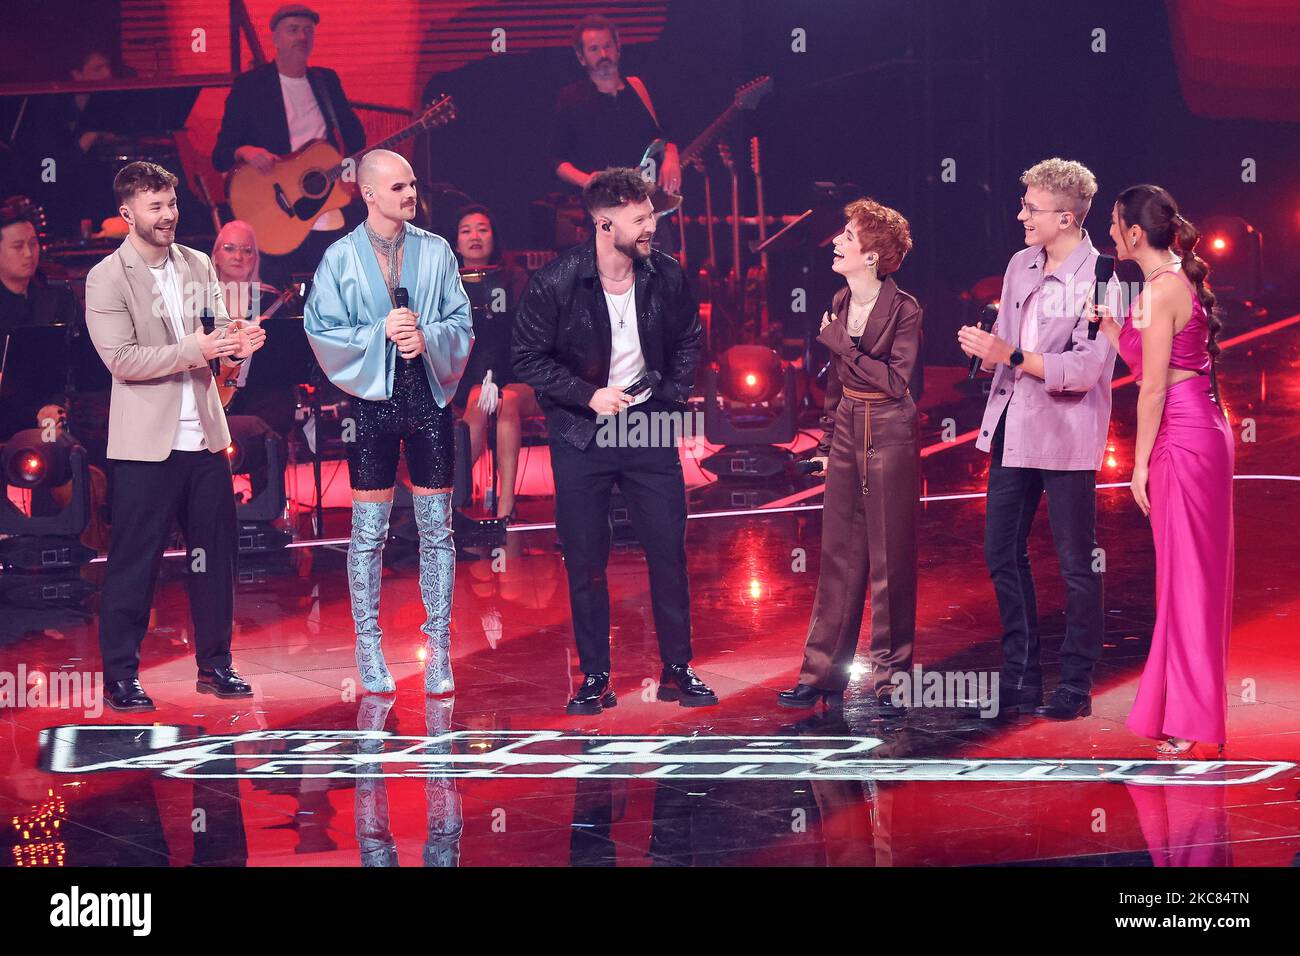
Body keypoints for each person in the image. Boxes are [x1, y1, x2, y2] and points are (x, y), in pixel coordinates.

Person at [512, 167, 714, 715]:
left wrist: (671, 397)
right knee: (586, 560)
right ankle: (595, 676)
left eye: (651, 215)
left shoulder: (666, 276)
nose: (652, 226)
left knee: (667, 551)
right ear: (605, 224)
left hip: (649, 427)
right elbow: (526, 357)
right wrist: (587, 394)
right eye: (641, 218)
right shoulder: (555, 283)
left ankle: (678, 668)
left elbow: (690, 339)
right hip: (584, 431)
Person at [83, 161, 266, 712]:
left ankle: (216, 665)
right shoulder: (107, 278)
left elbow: (213, 330)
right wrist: (203, 349)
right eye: (155, 206)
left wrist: (237, 342)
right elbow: (124, 360)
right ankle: (121, 675)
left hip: (206, 439)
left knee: (216, 558)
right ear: (127, 213)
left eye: (171, 203)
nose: (168, 215)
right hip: (146, 447)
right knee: (134, 563)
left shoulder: (197, 263)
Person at [304, 149, 473, 696]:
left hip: (428, 398)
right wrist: (380, 333)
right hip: (373, 405)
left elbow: (461, 321)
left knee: (437, 532)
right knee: (368, 534)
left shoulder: (437, 250)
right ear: (369, 193)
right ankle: (368, 646)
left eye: (412, 185)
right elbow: (321, 328)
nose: (410, 195)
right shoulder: (339, 257)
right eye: (398, 187)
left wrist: (428, 338)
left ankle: (440, 647)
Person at [957, 157, 1120, 721]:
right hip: (1011, 427)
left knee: (1076, 563)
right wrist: (986, 350)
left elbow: (1085, 368)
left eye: (1033, 207)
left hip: (1066, 434)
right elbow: (1006, 342)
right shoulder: (1019, 264)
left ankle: (1075, 683)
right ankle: (1020, 676)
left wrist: (1011, 355)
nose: (1021, 214)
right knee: (1001, 553)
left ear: (1069, 219)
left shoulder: (1105, 279)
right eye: (1023, 203)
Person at [1091, 185, 1234, 757]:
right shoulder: (1170, 280)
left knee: (1187, 580)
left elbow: (1151, 390)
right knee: (1188, 577)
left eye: (1113, 224)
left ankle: (1191, 718)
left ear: (1131, 232)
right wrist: (1111, 330)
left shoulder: (1160, 290)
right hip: (1203, 429)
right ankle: (1185, 711)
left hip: (1184, 438)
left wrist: (1138, 464)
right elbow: (1156, 362)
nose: (1108, 234)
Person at [778, 199, 922, 712]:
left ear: (872, 255)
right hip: (847, 432)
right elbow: (840, 383)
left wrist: (842, 344)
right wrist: (824, 441)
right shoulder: (840, 300)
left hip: (889, 430)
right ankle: (820, 675)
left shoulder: (905, 309)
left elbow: (894, 382)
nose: (837, 241)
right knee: (837, 557)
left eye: (847, 235)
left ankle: (892, 680)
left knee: (890, 559)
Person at [212, 4, 365, 286]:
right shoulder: (251, 86)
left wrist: (348, 173)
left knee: (336, 286)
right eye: (293, 30)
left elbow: (356, 140)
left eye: (308, 31)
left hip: (325, 205)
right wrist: (245, 151)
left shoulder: (325, 81)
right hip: (274, 213)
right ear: (276, 38)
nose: (302, 37)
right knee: (279, 294)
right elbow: (221, 154)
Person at [547, 14, 681, 247]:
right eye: (594, 49)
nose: (603, 55)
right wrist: (589, 180)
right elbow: (557, 160)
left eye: (608, 46)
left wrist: (671, 156)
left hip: (648, 210)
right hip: (605, 214)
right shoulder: (572, 99)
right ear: (581, 57)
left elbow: (665, 134)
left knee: (660, 279)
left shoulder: (639, 89)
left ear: (618, 48)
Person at [450, 203, 538, 519]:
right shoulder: (447, 285)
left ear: (494, 237)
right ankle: (451, 498)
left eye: (483, 229)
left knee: (502, 399)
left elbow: (525, 335)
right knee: (481, 396)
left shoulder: (514, 278)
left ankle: (502, 509)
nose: (475, 236)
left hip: (515, 376)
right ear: (456, 243)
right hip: (465, 382)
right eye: (466, 230)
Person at [212, 220, 296, 436]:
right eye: (229, 248)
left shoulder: (270, 300)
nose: (238, 257)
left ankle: (271, 460)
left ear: (255, 259)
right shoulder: (200, 300)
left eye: (246, 250)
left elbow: (284, 363)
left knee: (276, 400)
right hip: (210, 390)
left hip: (260, 392)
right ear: (216, 257)